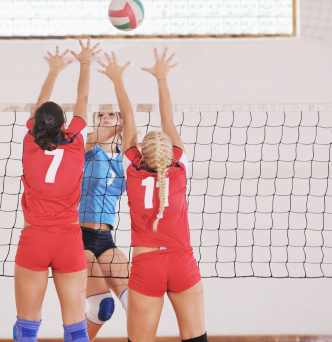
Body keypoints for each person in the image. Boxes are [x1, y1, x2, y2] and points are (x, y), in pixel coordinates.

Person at [97, 49, 208, 342]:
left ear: (142, 154)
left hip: (147, 265)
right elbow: (168, 121)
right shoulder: (180, 167)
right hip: (182, 261)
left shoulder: (131, 168)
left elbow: (129, 121)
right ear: (170, 151)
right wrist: (162, 78)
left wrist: (117, 79)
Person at [13, 38, 101, 342]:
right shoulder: (76, 140)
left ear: (36, 126)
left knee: (25, 331)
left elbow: (39, 107)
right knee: (77, 331)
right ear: (64, 124)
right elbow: (84, 96)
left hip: (34, 239)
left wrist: (52, 71)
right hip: (68, 241)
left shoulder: (29, 142)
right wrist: (85, 61)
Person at [79, 110, 130, 340]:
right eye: (100, 115)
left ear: (120, 119)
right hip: (80, 238)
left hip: (107, 239)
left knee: (136, 303)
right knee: (103, 306)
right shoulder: (89, 148)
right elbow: (93, 137)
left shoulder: (125, 159)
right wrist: (125, 123)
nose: (105, 117)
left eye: (112, 114)